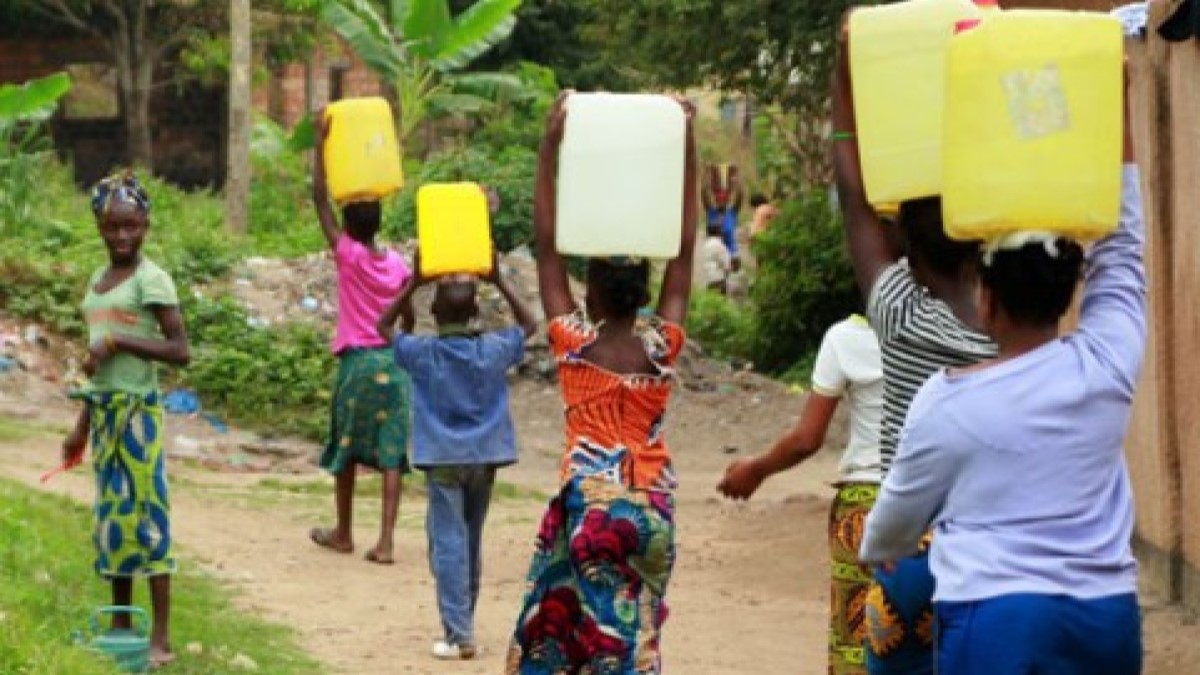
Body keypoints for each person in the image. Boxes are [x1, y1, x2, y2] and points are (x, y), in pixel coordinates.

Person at [861, 75, 1143, 674]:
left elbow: (897, 517)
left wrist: (878, 549)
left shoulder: (947, 402)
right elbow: (1124, 249)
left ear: (985, 298)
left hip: (996, 619)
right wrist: (1114, 109)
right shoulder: (1106, 365)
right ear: (1069, 288)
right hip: (1105, 618)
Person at [505, 92, 698, 674]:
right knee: (634, 638)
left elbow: (545, 249)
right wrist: (687, 148)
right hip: (653, 511)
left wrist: (549, 144)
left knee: (566, 630)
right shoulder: (662, 346)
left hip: (591, 508)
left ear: (589, 292)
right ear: (644, 289)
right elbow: (685, 249)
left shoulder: (573, 344)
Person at [829, 22, 997, 675]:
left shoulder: (895, 310)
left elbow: (851, 191)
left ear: (903, 242)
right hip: (986, 552)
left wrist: (845, 78)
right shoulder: (1007, 325)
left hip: (909, 550)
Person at [376, 251, 536, 661]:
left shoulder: (423, 353)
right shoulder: (493, 349)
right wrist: (499, 280)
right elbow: (531, 325)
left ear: (432, 308)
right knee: (470, 540)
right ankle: (462, 624)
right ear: (478, 310)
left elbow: (382, 327)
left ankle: (459, 633)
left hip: (443, 460)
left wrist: (413, 282)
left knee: (448, 543)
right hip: (484, 458)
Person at [61, 172, 191, 669]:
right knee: (114, 521)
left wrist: (118, 341)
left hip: (139, 418)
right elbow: (99, 369)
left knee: (148, 519)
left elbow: (180, 350)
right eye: (112, 227)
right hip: (106, 415)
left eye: (131, 227)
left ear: (146, 226)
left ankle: (160, 636)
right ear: (98, 224)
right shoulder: (97, 284)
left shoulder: (151, 279)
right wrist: (80, 427)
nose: (122, 237)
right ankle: (121, 622)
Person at [718, 314, 882, 674]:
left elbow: (807, 439)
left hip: (868, 507)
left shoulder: (849, 336)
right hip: (943, 503)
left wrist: (755, 470)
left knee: (856, 646)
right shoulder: (968, 322)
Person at [308, 110, 413, 564]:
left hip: (356, 365)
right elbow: (408, 318)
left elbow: (318, 200)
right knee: (391, 454)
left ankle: (344, 532)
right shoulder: (399, 265)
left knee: (347, 446)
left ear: (348, 223)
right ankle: (386, 542)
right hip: (394, 363)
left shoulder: (348, 256)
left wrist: (320, 144)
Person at [703, 162, 744, 270]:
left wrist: (736, 180)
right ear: (715, 200)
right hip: (715, 256)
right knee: (717, 283)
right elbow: (704, 193)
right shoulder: (711, 212)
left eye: (724, 199)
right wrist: (706, 176)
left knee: (734, 282)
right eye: (718, 199)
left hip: (732, 255)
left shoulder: (732, 212)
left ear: (728, 200)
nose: (721, 201)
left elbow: (740, 195)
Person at [703, 216, 732, 294]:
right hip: (719, 277)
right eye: (720, 230)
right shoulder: (719, 244)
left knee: (711, 300)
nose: (722, 231)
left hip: (709, 277)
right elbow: (726, 263)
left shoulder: (707, 244)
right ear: (718, 232)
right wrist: (728, 271)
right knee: (721, 301)